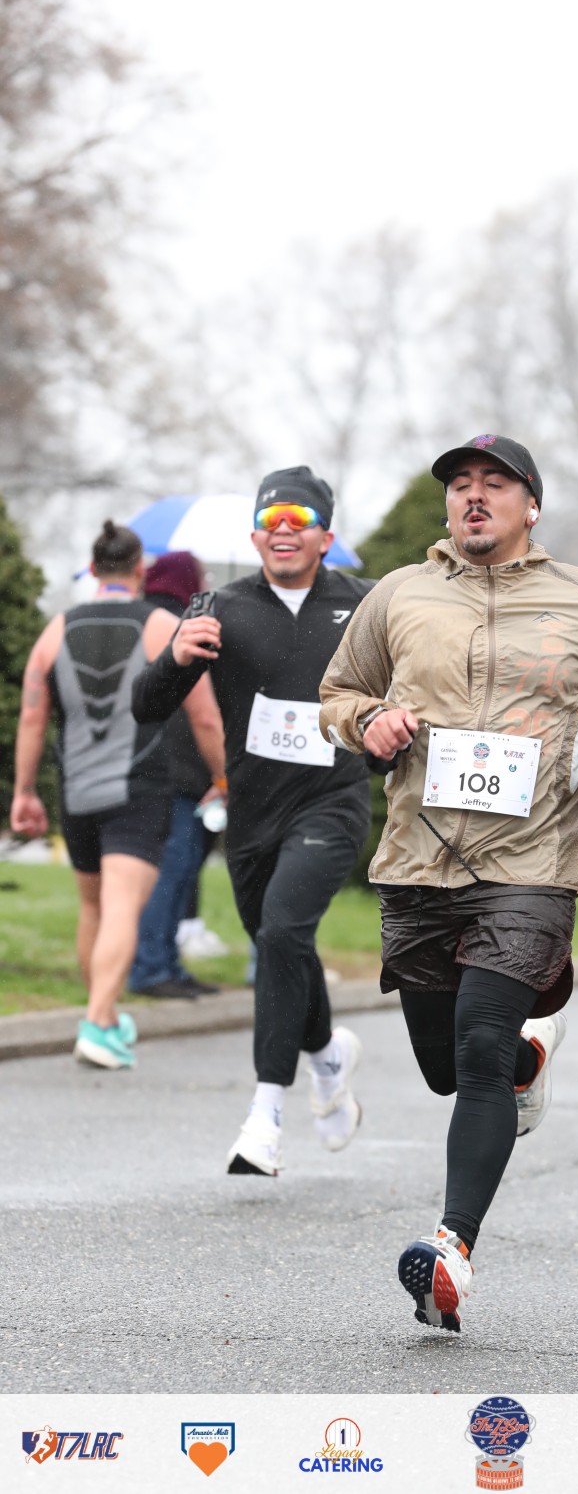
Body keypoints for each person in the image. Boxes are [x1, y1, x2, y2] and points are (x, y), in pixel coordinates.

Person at [318, 432, 578, 1333]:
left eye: (495, 483)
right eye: (460, 485)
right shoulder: (398, 595)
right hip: (419, 856)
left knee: (479, 1046)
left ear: (531, 505)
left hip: (533, 862)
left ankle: (451, 1251)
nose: (473, 496)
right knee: (447, 1068)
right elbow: (338, 695)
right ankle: (529, 1060)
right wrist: (368, 722)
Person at [132, 467, 373, 1176]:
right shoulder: (219, 608)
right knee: (279, 941)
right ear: (255, 537)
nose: (284, 531)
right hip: (253, 814)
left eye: (299, 520)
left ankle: (264, 1116)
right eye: (272, 521)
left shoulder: (366, 606)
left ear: (326, 536)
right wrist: (175, 658)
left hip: (331, 801)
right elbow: (147, 705)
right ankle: (328, 1059)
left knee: (284, 932)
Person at [10, 521, 225, 1069]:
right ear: (139, 571)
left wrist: (25, 791)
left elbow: (33, 716)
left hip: (77, 789)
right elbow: (204, 717)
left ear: (92, 566)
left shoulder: (56, 629)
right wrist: (225, 778)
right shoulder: (161, 625)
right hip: (138, 788)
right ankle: (97, 1022)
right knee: (123, 906)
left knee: (93, 907)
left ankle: (102, 1020)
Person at [128, 551, 225, 1000]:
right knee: (172, 871)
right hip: (177, 773)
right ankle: (151, 968)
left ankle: (167, 964)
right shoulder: (179, 627)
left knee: (173, 871)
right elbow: (202, 715)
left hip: (136, 766)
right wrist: (223, 777)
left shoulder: (137, 620)